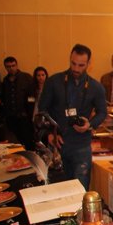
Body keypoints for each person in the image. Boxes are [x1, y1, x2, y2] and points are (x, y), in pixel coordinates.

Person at [38, 44, 107, 189]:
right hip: (58, 145)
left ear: (89, 64)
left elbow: (102, 112)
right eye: (73, 63)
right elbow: (42, 111)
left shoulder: (95, 87)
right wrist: (49, 134)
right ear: (70, 59)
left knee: (80, 190)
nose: (76, 69)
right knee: (59, 191)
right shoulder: (53, 82)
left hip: (81, 145)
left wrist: (90, 124)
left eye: (81, 65)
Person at [1, 56, 36, 149]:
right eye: (8, 66)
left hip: (24, 118)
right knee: (14, 144)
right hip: (11, 118)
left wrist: (30, 114)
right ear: (5, 67)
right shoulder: (5, 81)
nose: (11, 68)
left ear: (16, 65)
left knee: (28, 142)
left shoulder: (26, 77)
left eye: (13, 65)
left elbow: (32, 97)